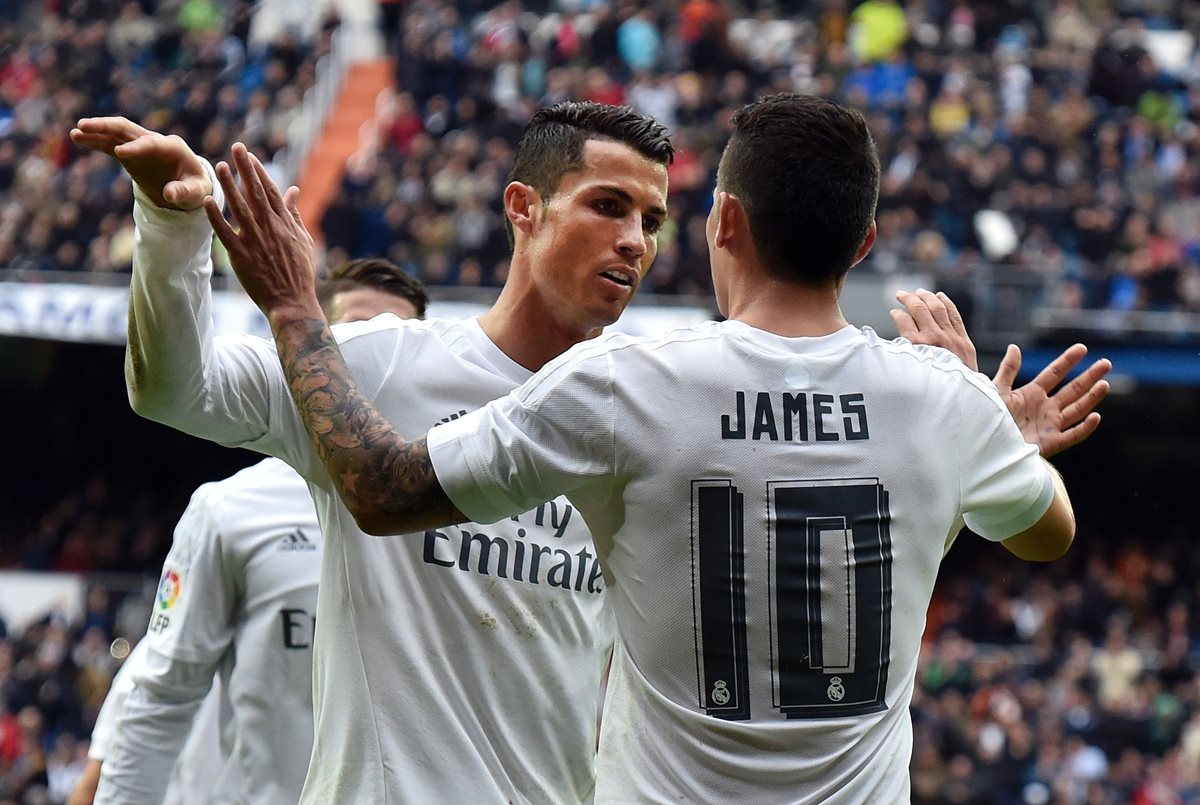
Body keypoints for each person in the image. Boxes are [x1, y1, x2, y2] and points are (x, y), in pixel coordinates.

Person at [206, 93, 1110, 801]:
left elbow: (379, 489)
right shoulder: (940, 400)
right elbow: (1047, 532)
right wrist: (999, 437)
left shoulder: (629, 383)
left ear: (722, 222)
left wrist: (294, 306)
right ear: (864, 242)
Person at [70, 103, 673, 803]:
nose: (633, 240)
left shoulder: (638, 414)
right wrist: (170, 227)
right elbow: (175, 389)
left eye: (651, 221)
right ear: (523, 207)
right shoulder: (380, 367)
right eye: (608, 205)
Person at [76, 259, 427, 805]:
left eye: (402, 341)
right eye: (358, 336)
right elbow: (160, 697)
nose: (381, 361)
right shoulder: (234, 510)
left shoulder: (473, 506)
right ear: (313, 357)